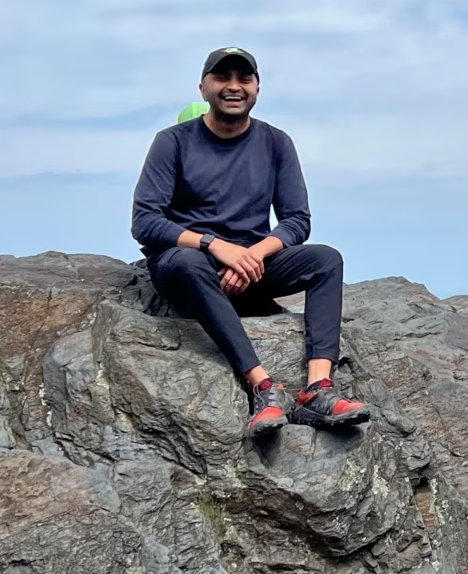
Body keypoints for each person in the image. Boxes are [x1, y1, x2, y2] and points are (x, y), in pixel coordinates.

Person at [130, 47, 369, 437]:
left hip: (253, 262)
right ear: (204, 87)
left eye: (244, 79)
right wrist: (213, 245)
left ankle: (317, 390)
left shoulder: (275, 143)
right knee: (187, 263)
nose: (234, 87)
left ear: (257, 88)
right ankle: (262, 385)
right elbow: (146, 221)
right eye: (223, 78)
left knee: (326, 259)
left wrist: (254, 254)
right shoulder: (172, 142)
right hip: (190, 262)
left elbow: (296, 220)